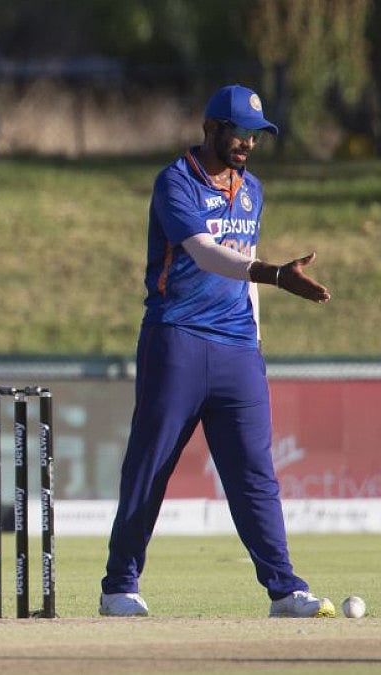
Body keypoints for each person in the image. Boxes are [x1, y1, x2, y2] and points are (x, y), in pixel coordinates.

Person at [100, 85, 334, 618]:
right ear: (210, 128)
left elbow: (241, 263)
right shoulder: (175, 181)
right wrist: (275, 275)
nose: (247, 144)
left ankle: (284, 589)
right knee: (150, 465)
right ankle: (119, 585)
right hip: (176, 338)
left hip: (236, 349)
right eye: (238, 132)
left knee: (255, 472)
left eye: (255, 135)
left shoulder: (252, 190)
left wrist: (255, 339)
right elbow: (206, 254)